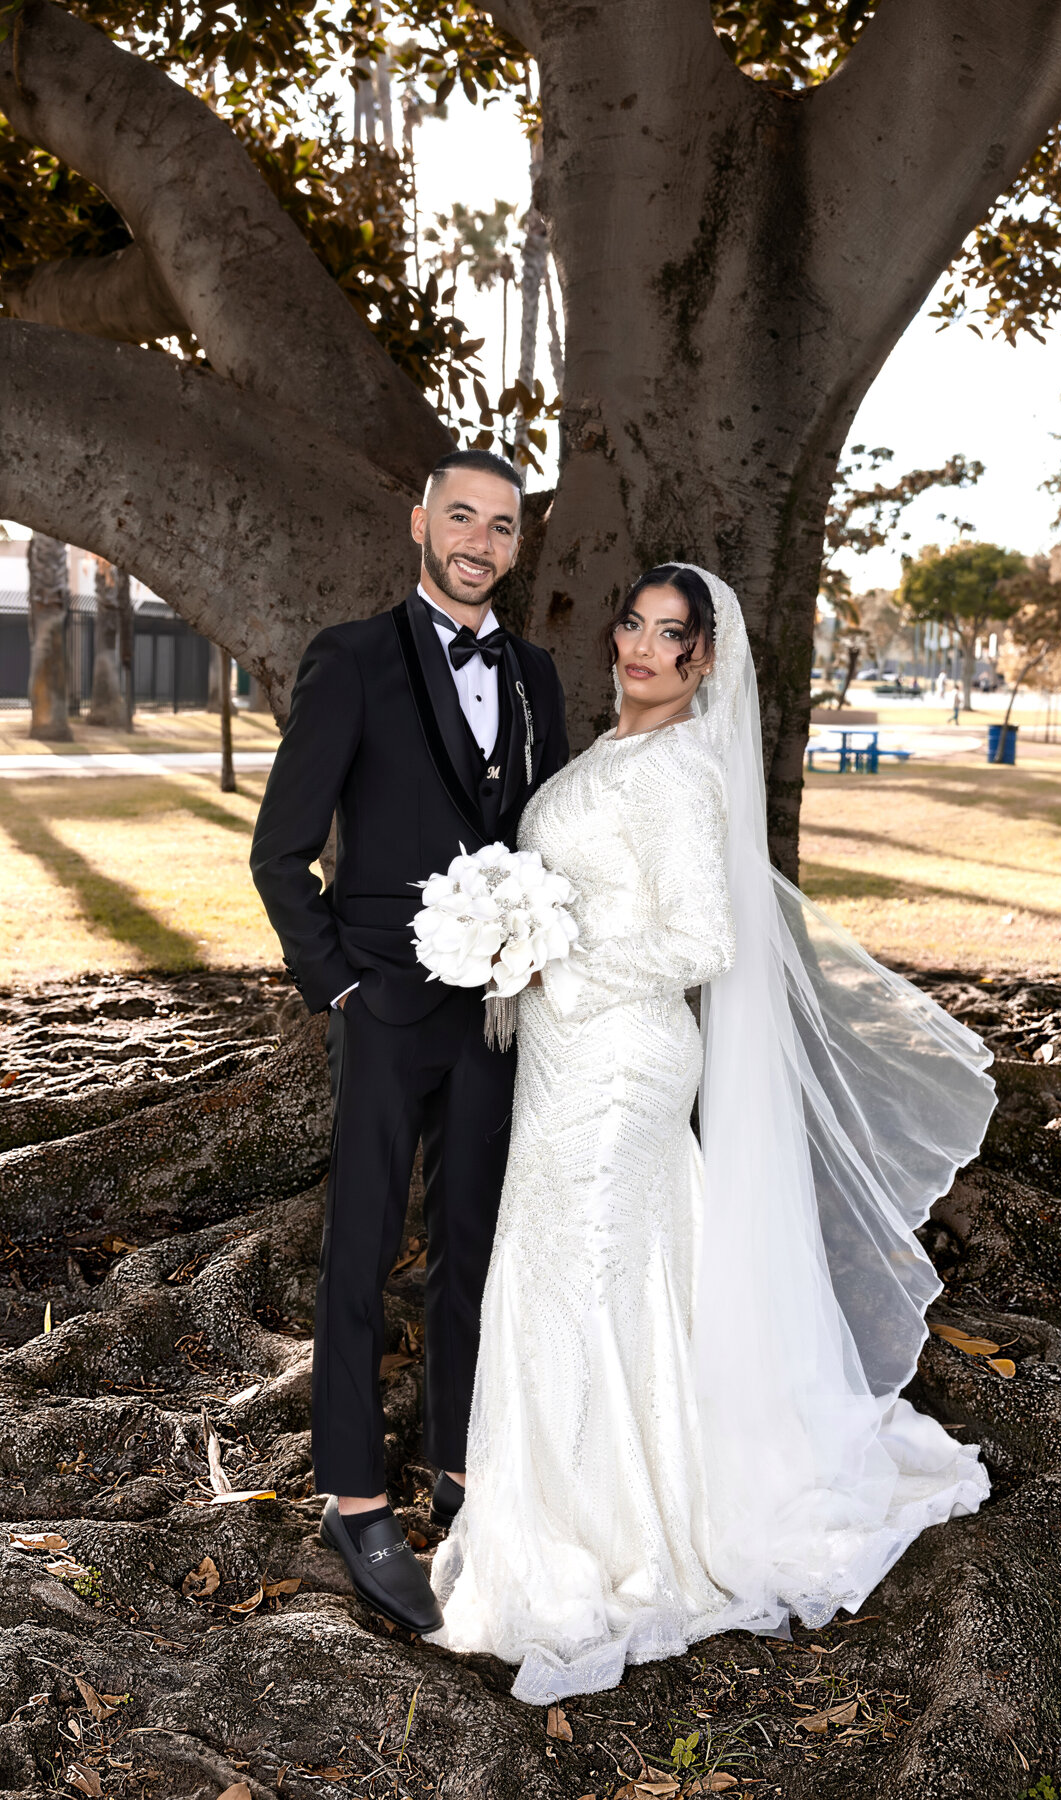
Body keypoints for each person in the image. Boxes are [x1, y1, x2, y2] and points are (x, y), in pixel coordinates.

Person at [427, 564, 996, 1701]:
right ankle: (550, 1516)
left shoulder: (682, 772)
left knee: (580, 1275)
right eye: (630, 623)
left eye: (668, 634)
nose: (640, 645)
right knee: (557, 1269)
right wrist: (503, 942)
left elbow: (700, 943)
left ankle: (621, 1540)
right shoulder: (603, 760)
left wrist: (558, 960)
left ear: (701, 662)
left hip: (625, 1056)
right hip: (560, 1056)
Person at [250, 450, 569, 1634]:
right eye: (463, 517)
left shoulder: (534, 673)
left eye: (503, 526)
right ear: (420, 522)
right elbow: (282, 853)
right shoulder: (351, 658)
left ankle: (460, 1467)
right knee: (362, 1248)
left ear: (517, 547)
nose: (481, 540)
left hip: (495, 1014)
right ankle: (354, 1494)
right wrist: (336, 987)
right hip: (381, 1006)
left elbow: (539, 830)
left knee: (473, 1247)